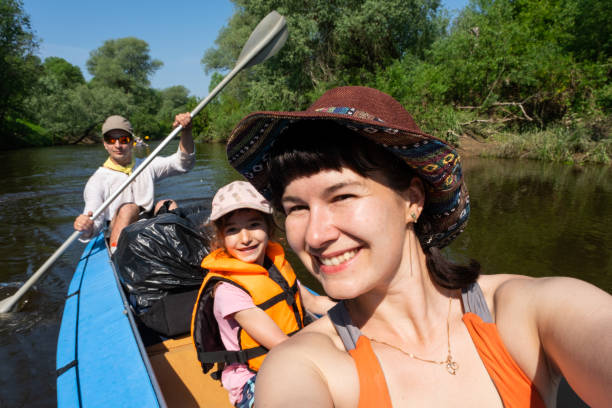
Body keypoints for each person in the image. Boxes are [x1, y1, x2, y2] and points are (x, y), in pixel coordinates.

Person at [224, 86, 612, 407]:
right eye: (297, 208)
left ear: (412, 200)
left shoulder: (529, 310)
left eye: (342, 196)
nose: (314, 236)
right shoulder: (305, 365)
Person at [191, 180, 335, 408]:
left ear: (269, 227)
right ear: (221, 238)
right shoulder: (228, 291)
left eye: (254, 224)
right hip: (254, 378)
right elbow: (282, 345)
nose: (245, 238)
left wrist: (357, 309)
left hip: (294, 356)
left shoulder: (274, 267)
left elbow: (314, 302)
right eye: (232, 230)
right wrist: (336, 330)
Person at [73, 113, 195, 249]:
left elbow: (184, 164)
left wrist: (186, 132)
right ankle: (118, 256)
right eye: (111, 140)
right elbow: (94, 223)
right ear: (105, 144)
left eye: (123, 139)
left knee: (168, 204)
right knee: (129, 209)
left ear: (132, 142)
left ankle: (178, 251)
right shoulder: (97, 181)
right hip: (118, 230)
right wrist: (85, 225)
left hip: (147, 225)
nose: (117, 145)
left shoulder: (146, 165)